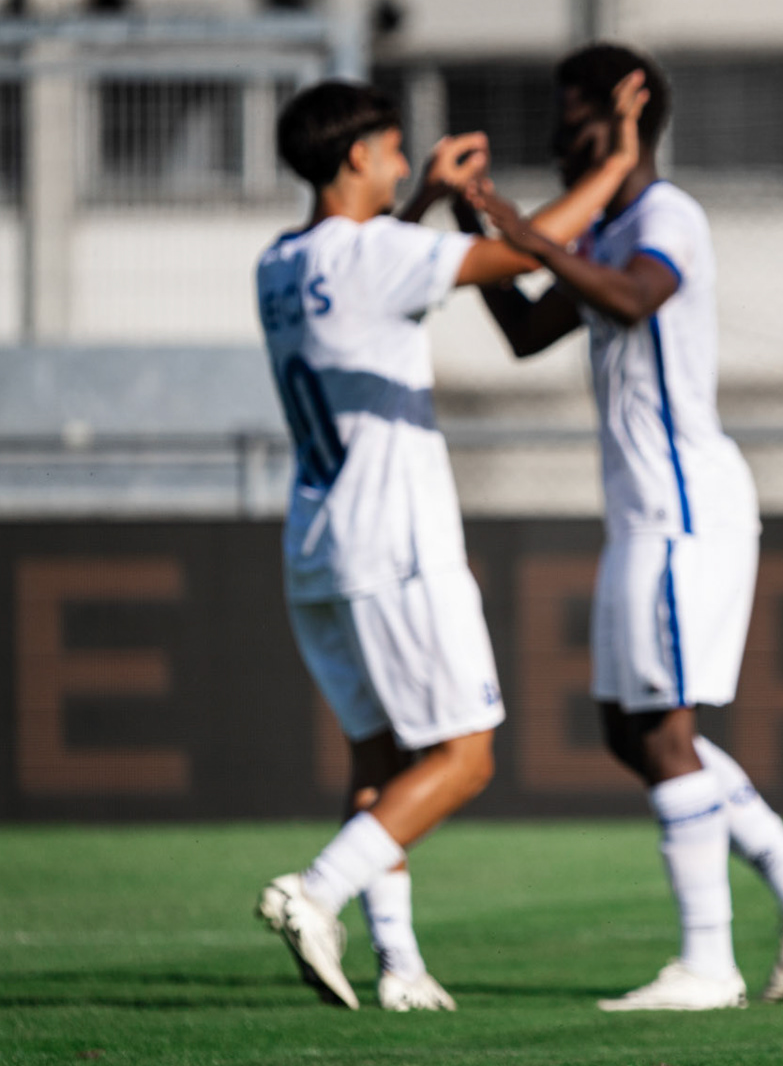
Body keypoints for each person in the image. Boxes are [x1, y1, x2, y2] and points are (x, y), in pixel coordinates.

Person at [467, 43, 783, 1012]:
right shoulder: (603, 227)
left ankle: (708, 961)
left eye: (574, 110)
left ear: (621, 116)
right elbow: (527, 332)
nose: (560, 130)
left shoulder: (664, 216)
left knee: (667, 729)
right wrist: (474, 235)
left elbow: (639, 295)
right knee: (628, 728)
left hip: (689, 509)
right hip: (646, 512)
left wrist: (528, 233)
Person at [253, 73, 648, 1011]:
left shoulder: (277, 258)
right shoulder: (374, 254)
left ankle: (398, 966)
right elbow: (517, 262)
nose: (401, 166)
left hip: (316, 541)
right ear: (357, 156)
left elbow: (372, 262)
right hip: (394, 541)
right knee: (466, 756)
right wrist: (620, 165)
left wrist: (422, 192)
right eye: (392, 151)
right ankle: (314, 891)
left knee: (380, 760)